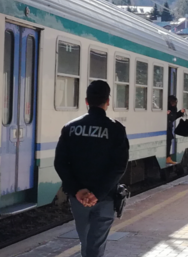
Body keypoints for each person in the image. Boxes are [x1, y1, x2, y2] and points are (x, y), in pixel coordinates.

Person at [54, 80, 129, 257]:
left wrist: (77, 190)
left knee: (86, 241)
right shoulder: (116, 129)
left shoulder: (70, 128)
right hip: (104, 198)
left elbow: (60, 163)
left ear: (86, 101)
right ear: (107, 102)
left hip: (78, 198)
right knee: (95, 244)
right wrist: (98, 193)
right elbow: (119, 166)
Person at [167, 95, 185, 165]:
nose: (174, 103)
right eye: (173, 102)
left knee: (169, 140)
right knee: (169, 139)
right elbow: (171, 117)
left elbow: (173, 117)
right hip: (166, 127)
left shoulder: (173, 108)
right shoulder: (168, 108)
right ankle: (168, 157)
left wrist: (180, 113)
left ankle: (168, 157)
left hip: (169, 127)